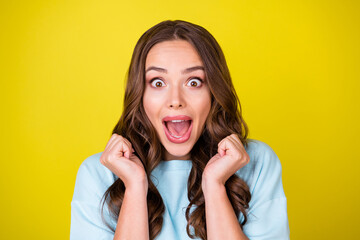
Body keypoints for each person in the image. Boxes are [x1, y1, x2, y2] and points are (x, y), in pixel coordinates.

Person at [70, 20, 290, 240]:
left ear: (214, 92)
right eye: (158, 83)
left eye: (194, 82)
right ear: (140, 94)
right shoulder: (98, 173)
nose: (175, 100)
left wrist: (214, 185)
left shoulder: (257, 162)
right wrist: (135, 187)